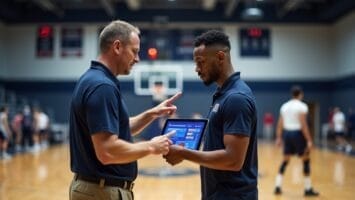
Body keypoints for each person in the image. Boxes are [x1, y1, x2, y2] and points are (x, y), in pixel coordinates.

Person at [69, 20, 181, 200]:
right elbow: (107, 151)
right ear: (117, 47)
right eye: (134, 51)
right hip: (101, 191)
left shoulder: (94, 79)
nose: (137, 59)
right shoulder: (102, 86)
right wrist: (152, 146)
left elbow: (117, 130)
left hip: (98, 189)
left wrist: (152, 114)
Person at [164, 30, 258, 200]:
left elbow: (233, 160)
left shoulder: (236, 98)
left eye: (201, 62)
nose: (197, 69)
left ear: (220, 57)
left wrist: (184, 153)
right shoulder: (224, 94)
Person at [274, 86, 319, 197]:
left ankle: (277, 186)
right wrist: (309, 140)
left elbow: (280, 124)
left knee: (285, 160)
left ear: (292, 94)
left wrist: (279, 138)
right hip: (298, 134)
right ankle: (308, 189)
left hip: (287, 134)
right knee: (305, 160)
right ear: (301, 94)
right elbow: (303, 125)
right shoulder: (302, 106)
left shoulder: (284, 106)